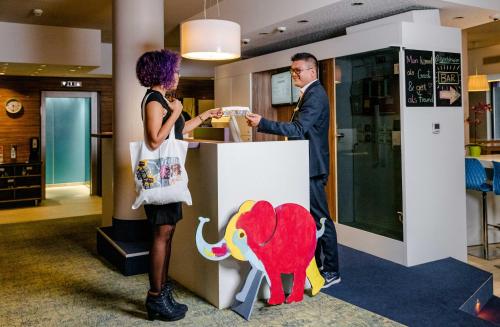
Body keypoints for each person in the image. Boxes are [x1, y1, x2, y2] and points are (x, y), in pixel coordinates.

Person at [135, 49, 222, 321]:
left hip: (167, 177)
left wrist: (204, 115)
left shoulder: (163, 100)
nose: (178, 75)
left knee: (167, 233)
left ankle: (163, 291)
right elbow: (154, 140)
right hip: (160, 179)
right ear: (162, 72)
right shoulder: (154, 100)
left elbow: (179, 132)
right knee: (161, 235)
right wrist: (175, 113)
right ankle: (155, 298)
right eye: (175, 70)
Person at [245, 52, 340, 288]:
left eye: (298, 70)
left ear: (312, 72)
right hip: (303, 166)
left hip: (312, 168)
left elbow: (298, 129)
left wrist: (262, 123)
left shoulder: (315, 95)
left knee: (321, 220)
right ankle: (316, 267)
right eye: (292, 71)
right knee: (310, 221)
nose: (294, 74)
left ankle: (331, 271)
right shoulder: (308, 94)